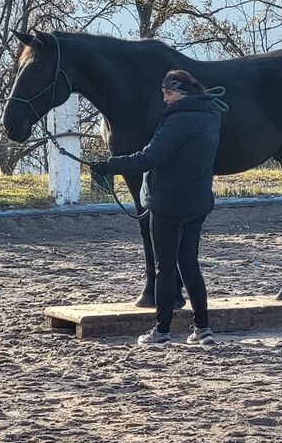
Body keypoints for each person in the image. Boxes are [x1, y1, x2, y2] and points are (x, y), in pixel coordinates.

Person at [91, 69, 226, 346]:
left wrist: (110, 165)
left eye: (168, 93)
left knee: (165, 267)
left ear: (181, 93)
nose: (164, 98)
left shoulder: (176, 122)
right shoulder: (210, 116)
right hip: (198, 200)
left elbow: (149, 157)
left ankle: (162, 331)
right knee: (190, 265)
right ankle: (203, 328)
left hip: (168, 203)